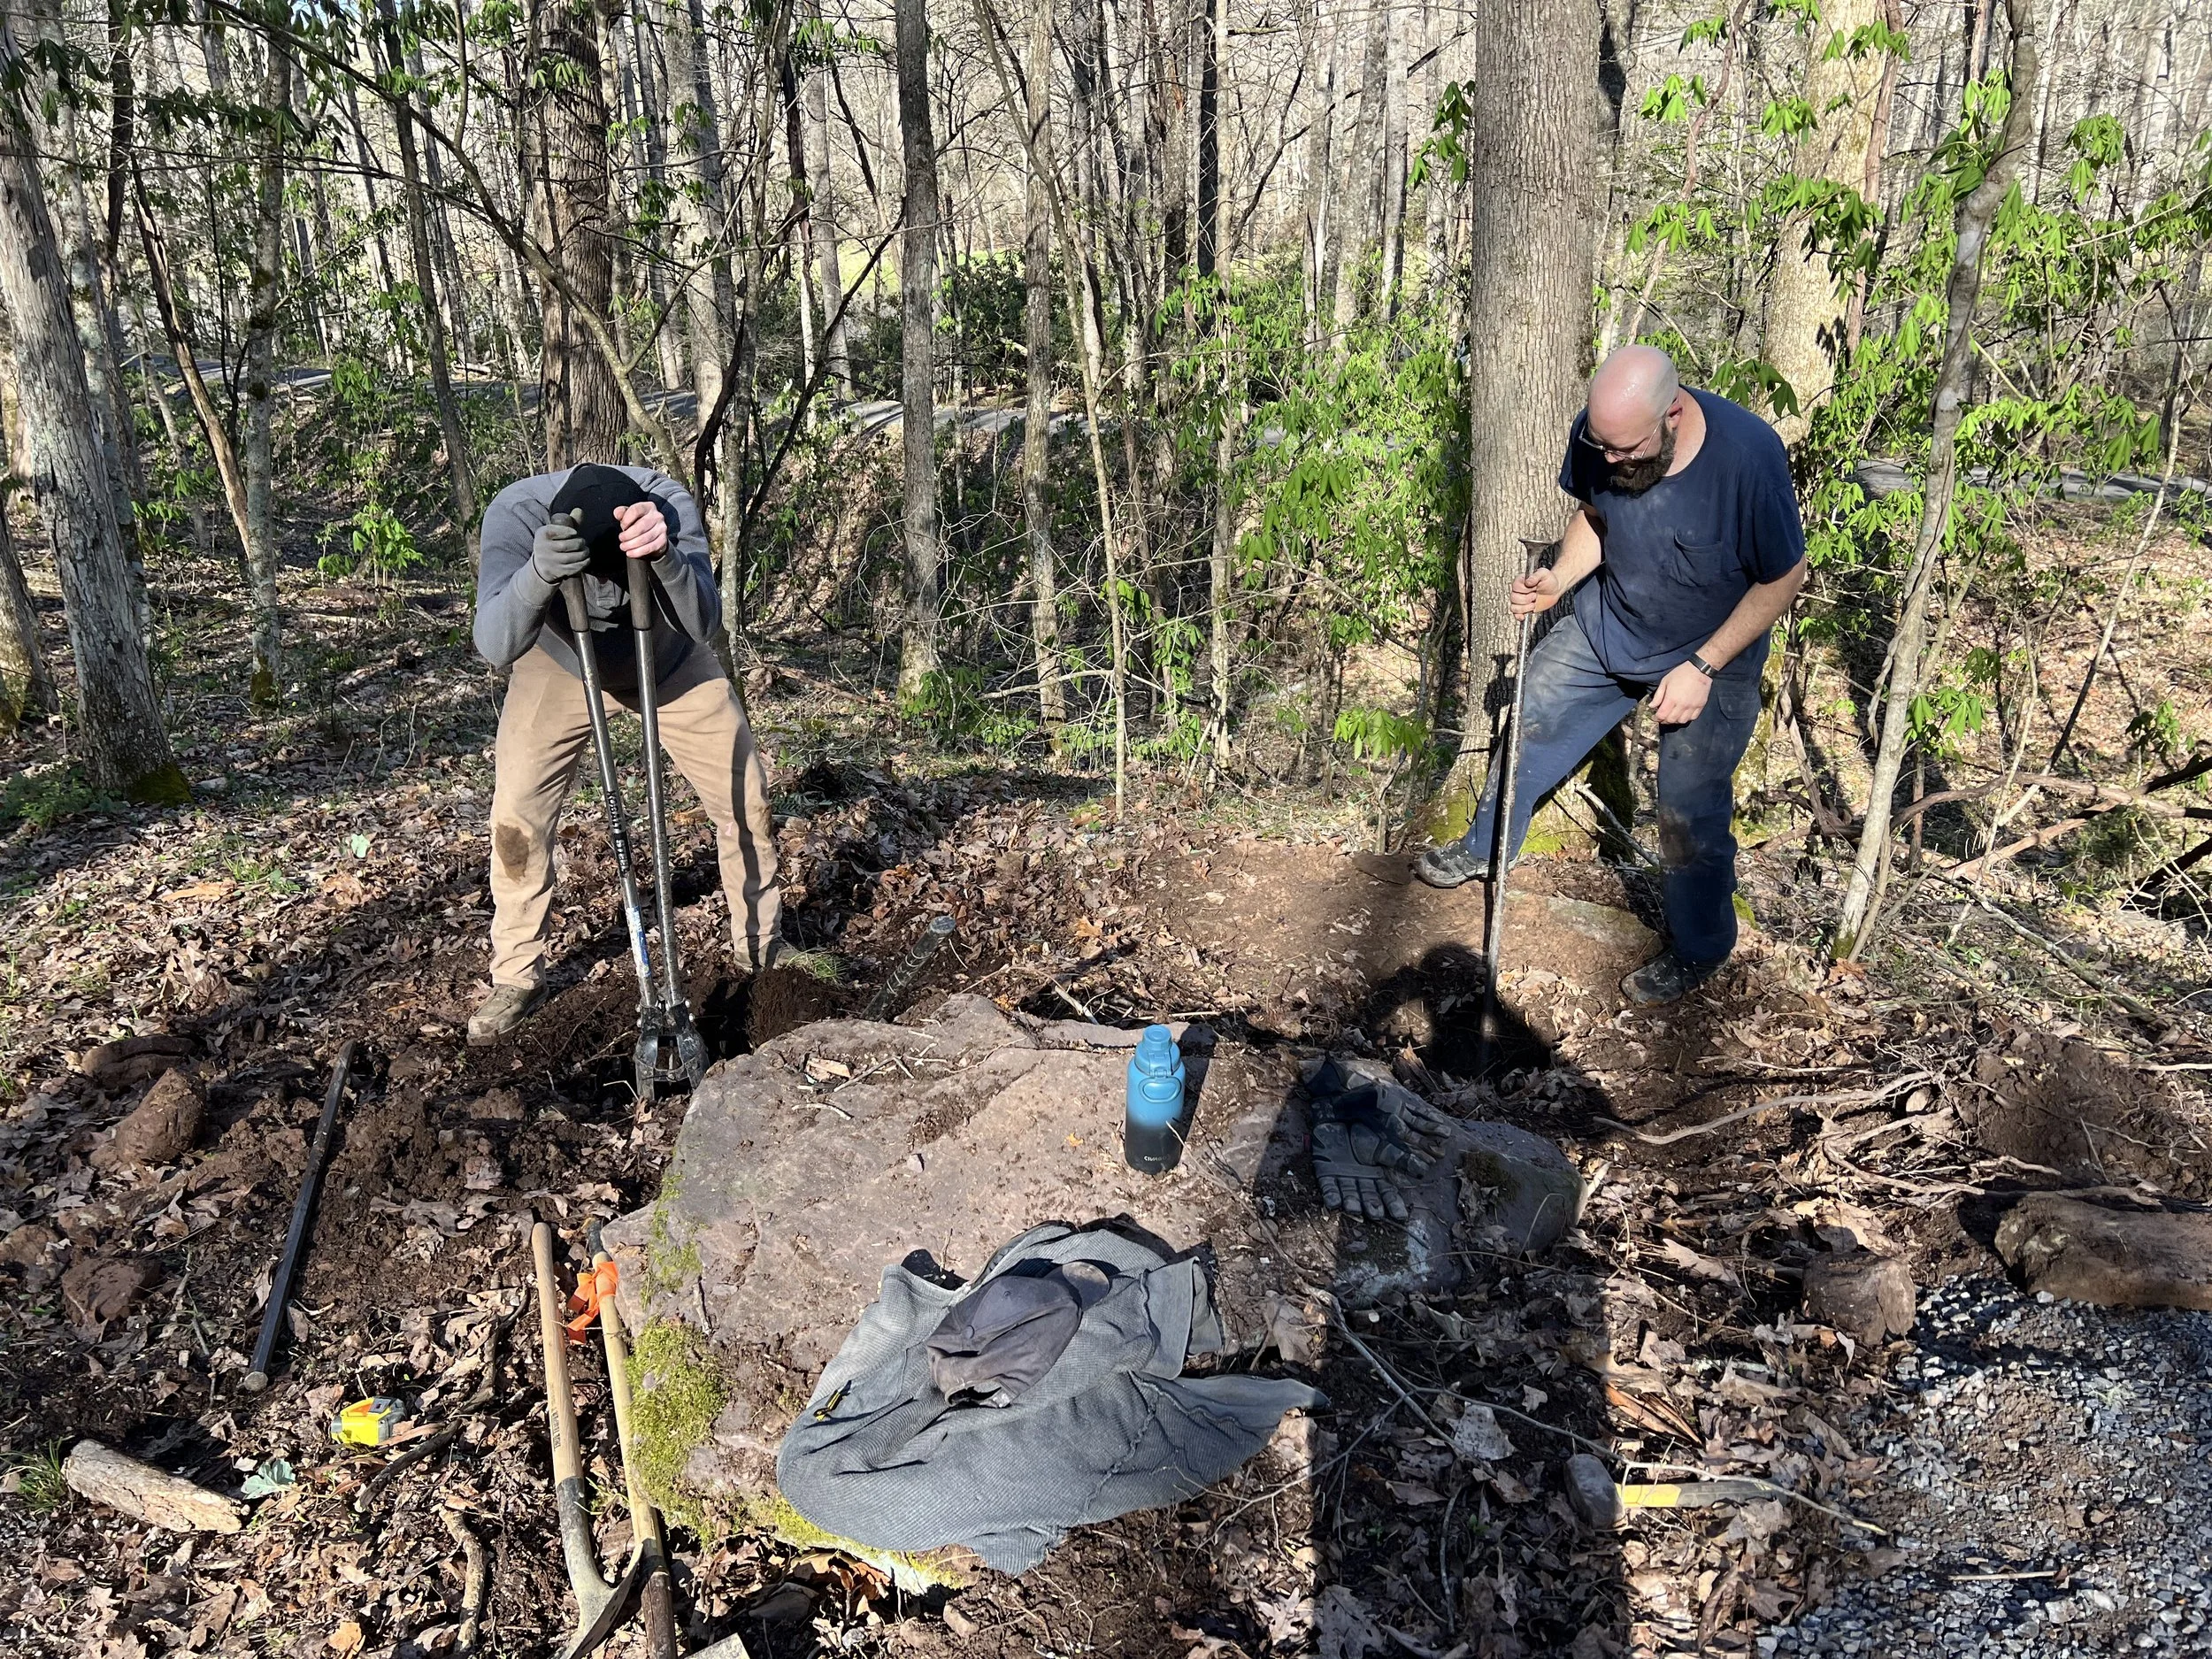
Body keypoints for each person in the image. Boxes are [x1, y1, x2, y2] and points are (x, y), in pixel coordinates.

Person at [1419, 345, 1808, 1006]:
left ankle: (1700, 947)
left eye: (1628, 450)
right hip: (1612, 626)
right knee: (1531, 718)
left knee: (1688, 809)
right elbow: (1594, 517)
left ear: (1675, 414)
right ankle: (1486, 847)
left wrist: (1704, 665)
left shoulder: (1748, 458)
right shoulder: (1600, 437)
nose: (1614, 461)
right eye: (1605, 448)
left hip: (1712, 658)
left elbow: (1784, 578)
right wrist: (1560, 579)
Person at [465, 462, 780, 1043]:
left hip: (668, 658)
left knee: (747, 796)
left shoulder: (666, 502)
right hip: (558, 663)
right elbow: (494, 642)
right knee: (516, 822)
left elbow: (705, 619)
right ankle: (515, 976)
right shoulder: (516, 513)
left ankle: (760, 945)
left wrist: (663, 557)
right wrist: (539, 572)